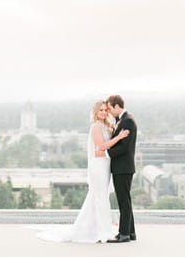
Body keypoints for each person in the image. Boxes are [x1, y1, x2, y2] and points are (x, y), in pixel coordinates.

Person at [36, 100, 129, 243]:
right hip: (98, 166)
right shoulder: (96, 127)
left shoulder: (106, 125)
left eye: (105, 110)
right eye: (101, 110)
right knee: (100, 197)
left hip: (105, 165)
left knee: (97, 197)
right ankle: (102, 231)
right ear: (95, 112)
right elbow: (102, 146)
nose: (104, 112)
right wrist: (119, 137)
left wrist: (114, 129)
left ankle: (92, 228)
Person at [102, 95, 137, 243]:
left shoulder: (127, 121)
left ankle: (124, 234)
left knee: (123, 201)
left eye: (109, 108)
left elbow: (125, 147)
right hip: (122, 167)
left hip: (123, 167)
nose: (109, 112)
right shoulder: (122, 120)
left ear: (117, 106)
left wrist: (106, 152)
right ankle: (131, 232)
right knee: (125, 200)